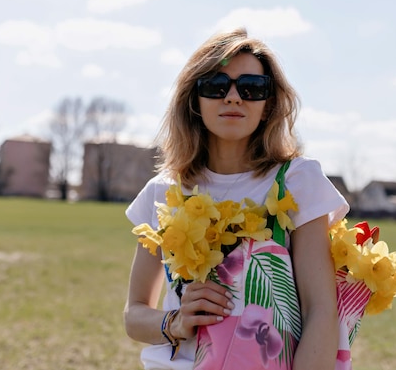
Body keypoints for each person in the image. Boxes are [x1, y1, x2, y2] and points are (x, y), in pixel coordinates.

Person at [124, 27, 349, 370]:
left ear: (269, 103)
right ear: (194, 99)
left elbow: (321, 309)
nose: (232, 97)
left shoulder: (297, 181)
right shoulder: (162, 192)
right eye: (215, 85)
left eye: (251, 88)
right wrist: (176, 321)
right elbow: (134, 314)